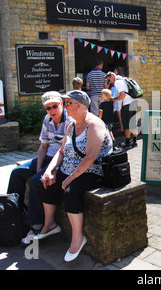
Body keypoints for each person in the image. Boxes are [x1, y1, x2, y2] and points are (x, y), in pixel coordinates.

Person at [37, 90, 113, 262]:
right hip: (71, 168)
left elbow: (91, 157)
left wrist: (70, 177)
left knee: (70, 191)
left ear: (78, 106)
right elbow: (62, 151)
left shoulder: (94, 125)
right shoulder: (72, 125)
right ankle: (50, 224)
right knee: (47, 182)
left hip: (93, 171)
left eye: (68, 103)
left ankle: (78, 238)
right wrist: (50, 170)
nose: (65, 106)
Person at [7, 91, 71, 243]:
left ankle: (35, 224)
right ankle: (13, 213)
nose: (51, 111)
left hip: (60, 159)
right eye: (48, 108)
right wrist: (38, 166)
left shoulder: (70, 120)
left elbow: (64, 151)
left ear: (61, 104)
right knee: (17, 172)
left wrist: (47, 170)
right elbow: (43, 146)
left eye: (54, 106)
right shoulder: (48, 119)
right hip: (48, 156)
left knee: (37, 181)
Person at [107, 72, 138, 148]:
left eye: (109, 80)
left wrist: (114, 99)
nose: (109, 82)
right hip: (134, 102)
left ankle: (127, 142)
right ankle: (134, 141)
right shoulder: (124, 79)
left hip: (127, 104)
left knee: (126, 124)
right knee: (133, 123)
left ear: (112, 76)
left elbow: (122, 96)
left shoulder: (117, 82)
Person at [113, 67, 125, 133]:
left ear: (117, 72)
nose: (113, 71)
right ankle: (123, 127)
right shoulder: (123, 78)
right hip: (124, 99)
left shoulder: (117, 80)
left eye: (114, 70)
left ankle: (121, 127)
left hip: (119, 98)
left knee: (119, 113)